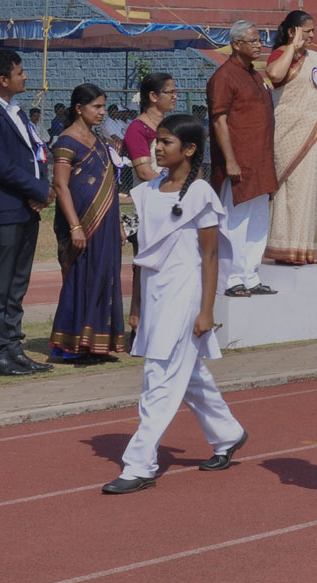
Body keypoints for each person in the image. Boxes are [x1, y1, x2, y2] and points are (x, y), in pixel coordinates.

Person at [103, 114, 249, 494]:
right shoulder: (148, 191)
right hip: (154, 295)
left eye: (167, 142)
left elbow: (210, 255)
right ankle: (227, 433)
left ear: (189, 149)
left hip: (185, 296)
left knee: (159, 376)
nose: (158, 147)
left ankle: (139, 464)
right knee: (189, 375)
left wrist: (207, 310)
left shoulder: (200, 194)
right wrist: (136, 305)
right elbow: (143, 254)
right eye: (158, 140)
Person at [0, 49, 53, 377]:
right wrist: (39, 191)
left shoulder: (16, 111)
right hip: (1, 209)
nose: (25, 76)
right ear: (3, 79)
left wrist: (40, 189)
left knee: (17, 283)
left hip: (24, 208)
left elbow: (35, 154)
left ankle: (14, 347)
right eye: (20, 72)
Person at [47, 84, 127, 363]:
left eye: (103, 106)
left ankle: (97, 344)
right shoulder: (66, 141)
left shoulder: (101, 142)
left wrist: (118, 223)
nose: (102, 112)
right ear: (79, 108)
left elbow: (111, 187)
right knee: (81, 279)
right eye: (97, 107)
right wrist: (75, 227)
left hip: (106, 223)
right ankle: (73, 346)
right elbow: (61, 185)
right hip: (81, 223)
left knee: (104, 278)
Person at [207, 20, 280, 297]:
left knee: (258, 220)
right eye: (253, 41)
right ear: (236, 44)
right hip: (239, 163)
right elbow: (219, 121)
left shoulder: (254, 75)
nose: (259, 45)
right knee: (235, 221)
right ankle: (232, 278)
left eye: (260, 40)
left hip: (260, 160)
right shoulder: (224, 77)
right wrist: (230, 160)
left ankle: (250, 275)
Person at [264, 10, 317, 266]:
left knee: (306, 188)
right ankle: (282, 246)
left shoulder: (316, 58)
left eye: (313, 30)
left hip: (310, 132)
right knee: (287, 188)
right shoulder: (281, 54)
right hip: (286, 130)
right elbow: (274, 75)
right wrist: (292, 47)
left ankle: (302, 249)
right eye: (307, 31)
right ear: (293, 31)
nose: (312, 35)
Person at [125, 73, 179, 346]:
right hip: (150, 207)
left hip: (175, 205)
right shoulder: (137, 129)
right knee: (145, 268)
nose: (175, 96)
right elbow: (145, 171)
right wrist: (172, 187)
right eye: (170, 91)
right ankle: (140, 328)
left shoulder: (173, 126)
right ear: (153, 96)